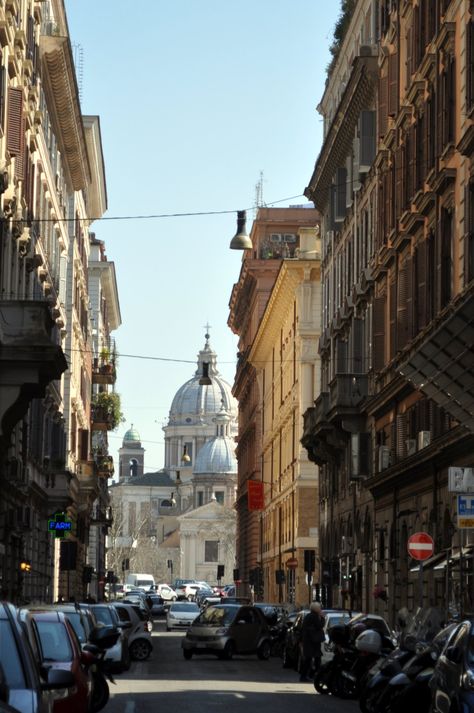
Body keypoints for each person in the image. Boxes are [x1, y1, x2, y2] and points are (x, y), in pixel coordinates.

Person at [299, 601, 325, 682]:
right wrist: (322, 618)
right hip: (312, 642)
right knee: (314, 659)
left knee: (311, 659)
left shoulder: (308, 616)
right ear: (316, 609)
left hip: (309, 641)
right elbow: (319, 626)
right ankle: (313, 675)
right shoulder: (314, 616)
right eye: (320, 608)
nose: (321, 610)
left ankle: (310, 675)